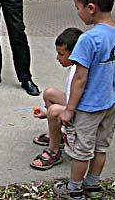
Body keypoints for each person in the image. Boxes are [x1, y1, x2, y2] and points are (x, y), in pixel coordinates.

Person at [53, 0, 115, 199]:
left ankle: (74, 190)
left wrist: (69, 109)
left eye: (78, 7)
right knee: (100, 147)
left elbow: (80, 78)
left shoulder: (88, 39)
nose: (78, 12)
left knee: (81, 151)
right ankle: (92, 185)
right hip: (111, 103)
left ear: (91, 8)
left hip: (89, 106)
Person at [30, 27, 83, 171]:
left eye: (61, 54)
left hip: (83, 114)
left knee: (53, 111)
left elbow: (78, 105)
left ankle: (54, 151)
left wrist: (48, 114)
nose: (57, 58)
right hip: (76, 105)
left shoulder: (80, 73)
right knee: (49, 93)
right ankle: (57, 136)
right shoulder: (75, 67)